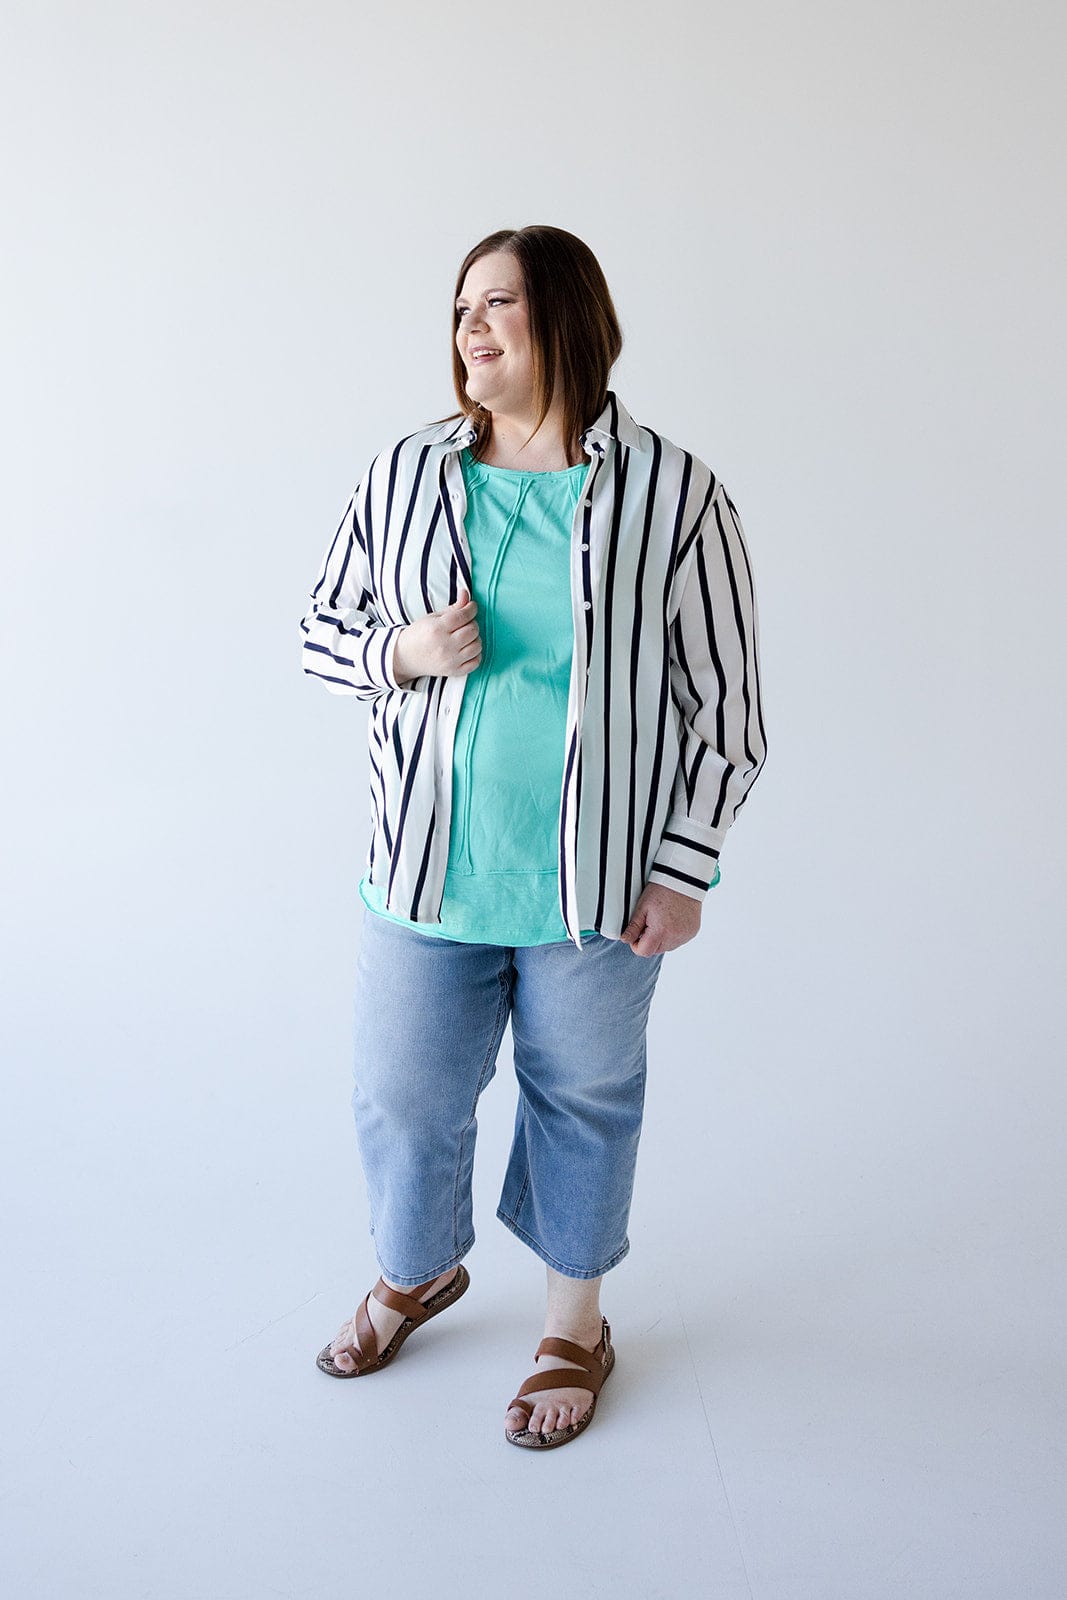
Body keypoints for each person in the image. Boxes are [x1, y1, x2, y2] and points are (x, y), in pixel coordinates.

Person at [299, 225, 767, 1450]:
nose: (471, 326)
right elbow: (316, 630)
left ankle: (575, 1324)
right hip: (424, 870)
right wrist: (401, 652)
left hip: (597, 888)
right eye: (461, 306)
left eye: (498, 302)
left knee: (584, 1098)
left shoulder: (675, 493)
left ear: (565, 317)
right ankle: (415, 1271)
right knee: (400, 1093)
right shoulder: (401, 474)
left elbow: (726, 705)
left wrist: (683, 865)